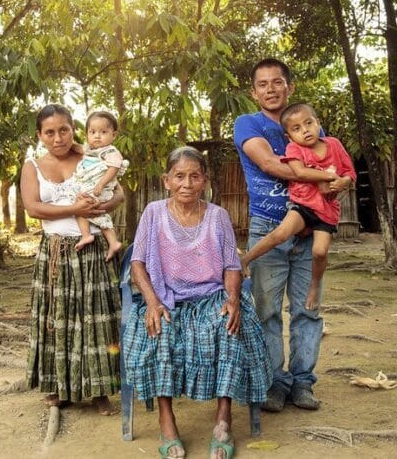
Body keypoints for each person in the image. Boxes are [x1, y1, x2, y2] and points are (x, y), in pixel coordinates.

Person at [122, 147, 270, 459]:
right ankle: (167, 422)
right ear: (167, 181)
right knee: (159, 332)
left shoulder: (218, 216)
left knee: (228, 328)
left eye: (194, 176)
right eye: (179, 176)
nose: (187, 183)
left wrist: (232, 300)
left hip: (211, 297)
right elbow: (137, 265)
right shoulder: (153, 212)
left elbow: (232, 266)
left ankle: (223, 421)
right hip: (166, 298)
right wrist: (151, 302)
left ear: (204, 181)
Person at [233, 58, 329, 413]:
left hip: (311, 228)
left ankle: (303, 383)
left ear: (290, 87)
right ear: (253, 91)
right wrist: (318, 173)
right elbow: (270, 165)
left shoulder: (308, 125)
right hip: (267, 228)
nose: (271, 89)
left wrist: (336, 180)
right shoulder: (247, 123)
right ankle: (274, 383)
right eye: (263, 84)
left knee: (308, 309)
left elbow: (336, 173)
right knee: (266, 312)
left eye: (277, 82)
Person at [21, 104, 123, 415]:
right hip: (56, 253)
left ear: (72, 129)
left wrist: (98, 209)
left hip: (92, 252)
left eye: (64, 130)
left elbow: (119, 195)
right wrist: (74, 210)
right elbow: (34, 208)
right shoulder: (33, 166)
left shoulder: (92, 157)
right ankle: (58, 388)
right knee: (58, 321)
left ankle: (99, 390)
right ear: (39, 135)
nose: (57, 137)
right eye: (49, 132)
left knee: (95, 321)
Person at [241, 102, 356, 310]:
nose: (305, 131)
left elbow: (350, 172)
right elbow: (300, 173)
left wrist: (344, 181)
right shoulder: (294, 149)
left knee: (320, 252)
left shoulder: (334, 145)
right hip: (304, 205)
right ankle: (245, 260)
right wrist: (330, 176)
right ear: (289, 136)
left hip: (327, 211)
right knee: (280, 234)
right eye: (296, 129)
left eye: (308, 123)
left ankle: (314, 285)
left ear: (318, 124)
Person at [73, 111, 128, 261]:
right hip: (92, 187)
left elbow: (114, 167)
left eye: (103, 132)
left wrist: (101, 184)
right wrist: (69, 144)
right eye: (93, 132)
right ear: (87, 135)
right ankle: (113, 241)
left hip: (101, 189)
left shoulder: (110, 151)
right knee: (93, 212)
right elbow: (79, 148)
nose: (97, 136)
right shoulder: (91, 150)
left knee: (82, 208)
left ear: (114, 135)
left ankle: (87, 235)